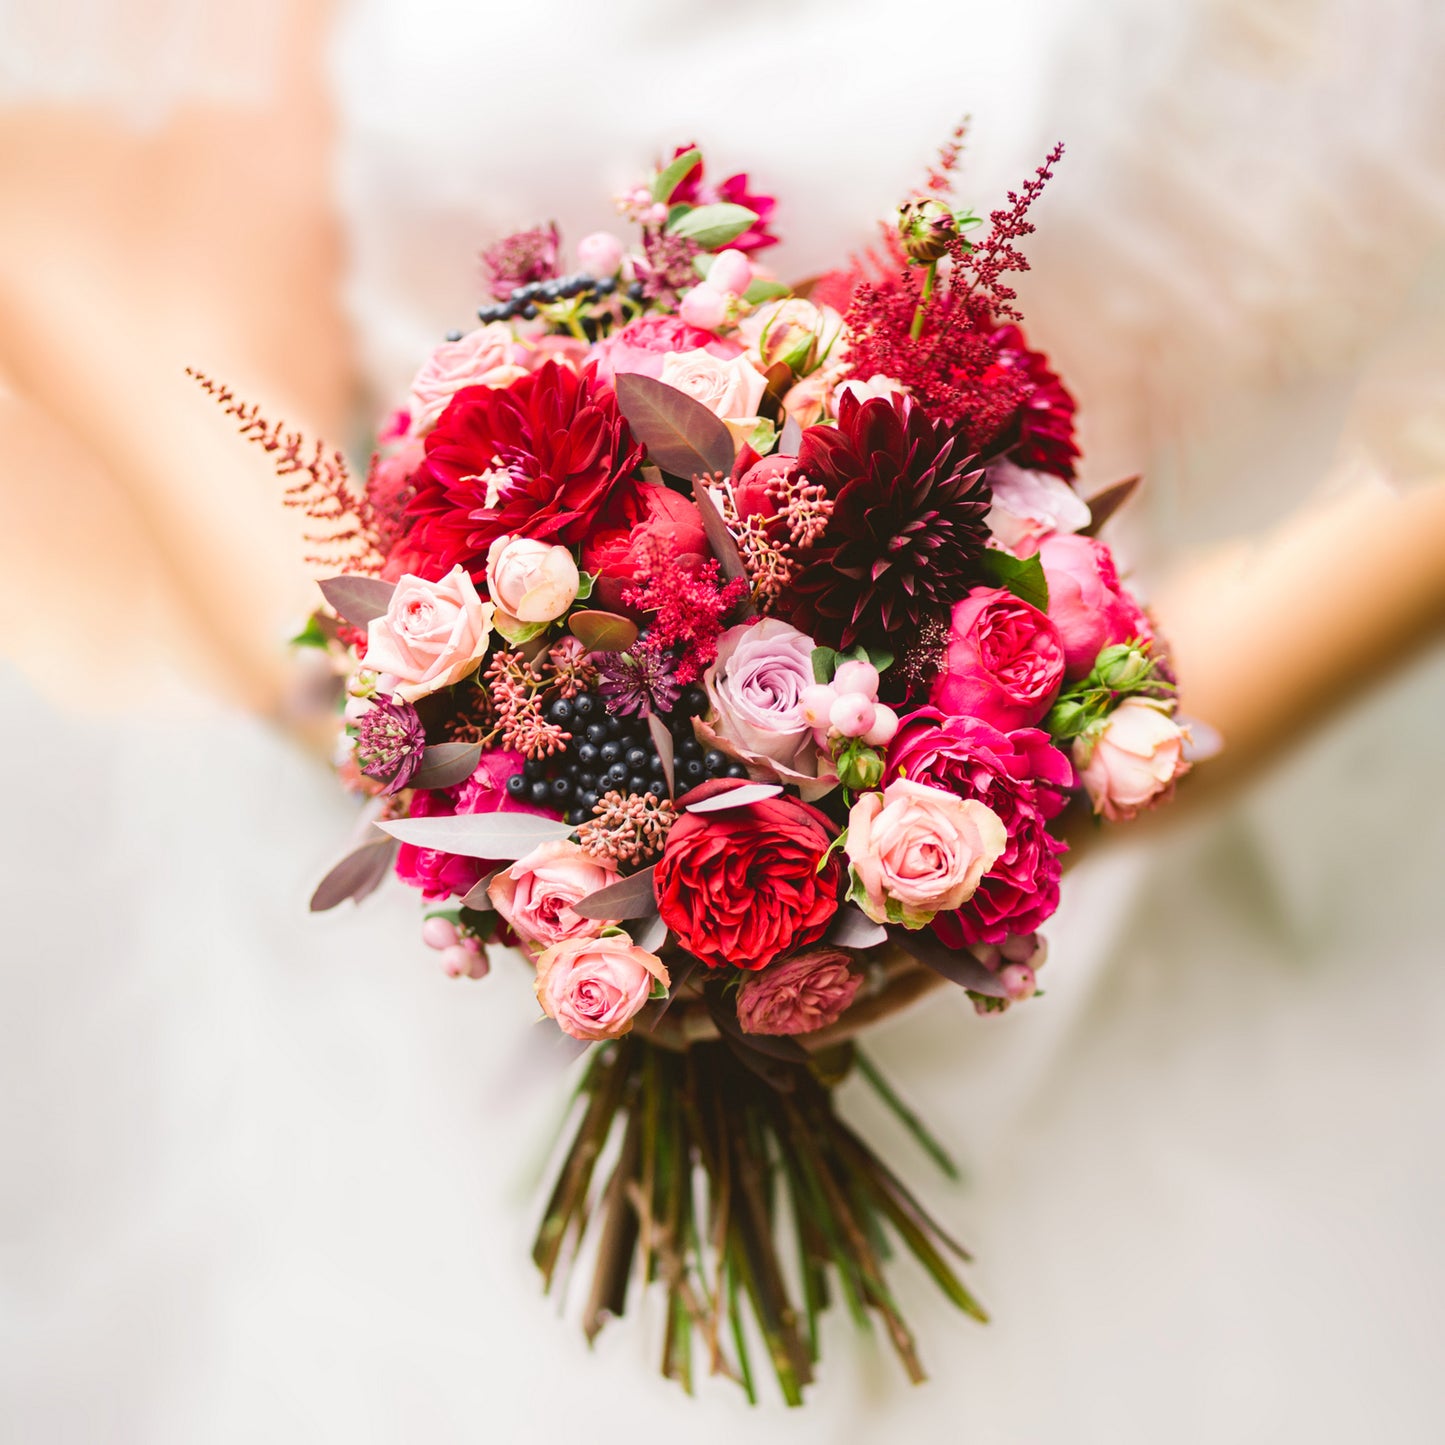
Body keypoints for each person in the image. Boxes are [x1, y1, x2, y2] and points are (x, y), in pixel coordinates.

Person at [2, 0, 1443, 1438]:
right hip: (418, 902)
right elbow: (124, 254)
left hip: (1128, 862)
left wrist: (1026, 781)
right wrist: (412, 715)